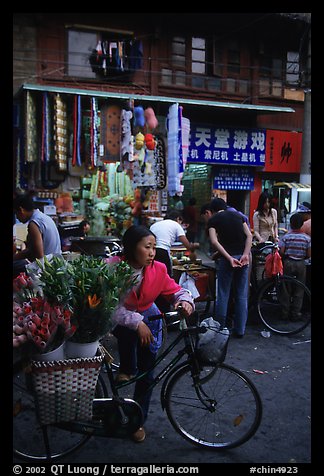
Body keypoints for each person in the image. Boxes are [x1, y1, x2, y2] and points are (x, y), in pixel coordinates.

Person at [111, 225, 195, 442]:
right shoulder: (113, 267)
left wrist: (184, 301)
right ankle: (126, 367)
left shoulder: (158, 269)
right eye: (147, 247)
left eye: (154, 247)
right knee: (129, 345)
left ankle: (137, 421)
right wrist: (136, 322)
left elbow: (175, 290)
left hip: (151, 318)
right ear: (131, 248)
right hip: (120, 321)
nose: (152, 252)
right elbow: (109, 307)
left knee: (148, 373)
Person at [201, 198, 252, 337]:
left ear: (212, 211)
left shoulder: (214, 220)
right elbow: (249, 235)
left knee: (223, 294)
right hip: (242, 258)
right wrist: (246, 254)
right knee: (241, 295)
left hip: (226, 260)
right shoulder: (239, 216)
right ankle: (240, 330)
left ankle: (220, 329)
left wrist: (228, 257)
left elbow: (214, 241)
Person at [150, 210, 199, 312]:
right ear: (178, 219)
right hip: (162, 252)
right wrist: (195, 246)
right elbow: (187, 245)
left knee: (153, 279)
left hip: (151, 251)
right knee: (165, 280)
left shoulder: (155, 224)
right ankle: (165, 309)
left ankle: (153, 305)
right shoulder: (176, 225)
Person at [13, 193, 62, 277]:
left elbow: (38, 254)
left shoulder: (34, 223)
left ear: (21, 210)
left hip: (46, 268)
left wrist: (15, 258)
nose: (17, 218)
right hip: (56, 263)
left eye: (16, 214)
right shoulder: (45, 217)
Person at [279, 213, 311, 320]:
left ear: (291, 224)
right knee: (300, 289)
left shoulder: (286, 237)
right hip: (301, 264)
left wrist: (287, 255)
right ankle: (295, 313)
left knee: (286, 288)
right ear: (302, 225)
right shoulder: (307, 238)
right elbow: (309, 254)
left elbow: (282, 252)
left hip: (288, 263)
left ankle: (284, 312)